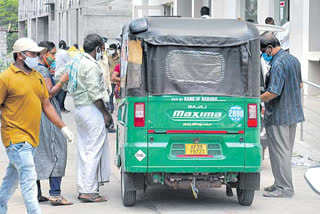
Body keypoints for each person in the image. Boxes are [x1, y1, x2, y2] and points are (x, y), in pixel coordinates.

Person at [0, 38, 73, 214]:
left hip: (32, 139)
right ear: (20, 56)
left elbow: (46, 104)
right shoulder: (5, 78)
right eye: (33, 54)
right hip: (15, 139)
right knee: (29, 179)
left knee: (12, 179)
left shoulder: (37, 76)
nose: (37, 56)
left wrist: (63, 127)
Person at [67, 33, 112, 202]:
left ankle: (83, 187)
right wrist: (106, 114)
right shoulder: (92, 66)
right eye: (103, 48)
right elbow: (95, 94)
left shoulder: (77, 62)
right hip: (91, 110)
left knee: (85, 150)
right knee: (93, 150)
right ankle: (89, 191)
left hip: (80, 109)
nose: (104, 52)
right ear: (97, 48)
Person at [260, 32, 304, 198]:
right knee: (283, 151)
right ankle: (279, 183)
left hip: (279, 115)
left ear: (270, 48)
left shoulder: (278, 64)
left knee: (280, 153)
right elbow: (299, 84)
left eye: (264, 51)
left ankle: (285, 189)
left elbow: (273, 92)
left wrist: (256, 99)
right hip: (293, 113)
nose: (264, 55)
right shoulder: (293, 59)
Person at [34, 41, 73, 206]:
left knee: (38, 152)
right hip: (48, 114)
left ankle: (36, 193)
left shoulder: (33, 69)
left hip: (36, 114)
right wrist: (62, 81)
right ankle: (55, 194)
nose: (54, 57)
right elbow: (49, 94)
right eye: (53, 54)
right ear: (44, 54)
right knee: (57, 149)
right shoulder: (42, 70)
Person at [55, 40, 71, 113]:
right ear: (63, 46)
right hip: (63, 73)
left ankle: (59, 107)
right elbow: (69, 62)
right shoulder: (64, 53)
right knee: (63, 91)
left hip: (57, 73)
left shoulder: (57, 52)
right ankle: (61, 107)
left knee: (59, 90)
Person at [108, 43, 120, 113]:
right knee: (111, 94)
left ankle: (118, 107)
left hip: (118, 80)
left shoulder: (120, 58)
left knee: (118, 95)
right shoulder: (109, 58)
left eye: (112, 49)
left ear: (115, 50)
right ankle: (111, 108)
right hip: (111, 79)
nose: (110, 51)